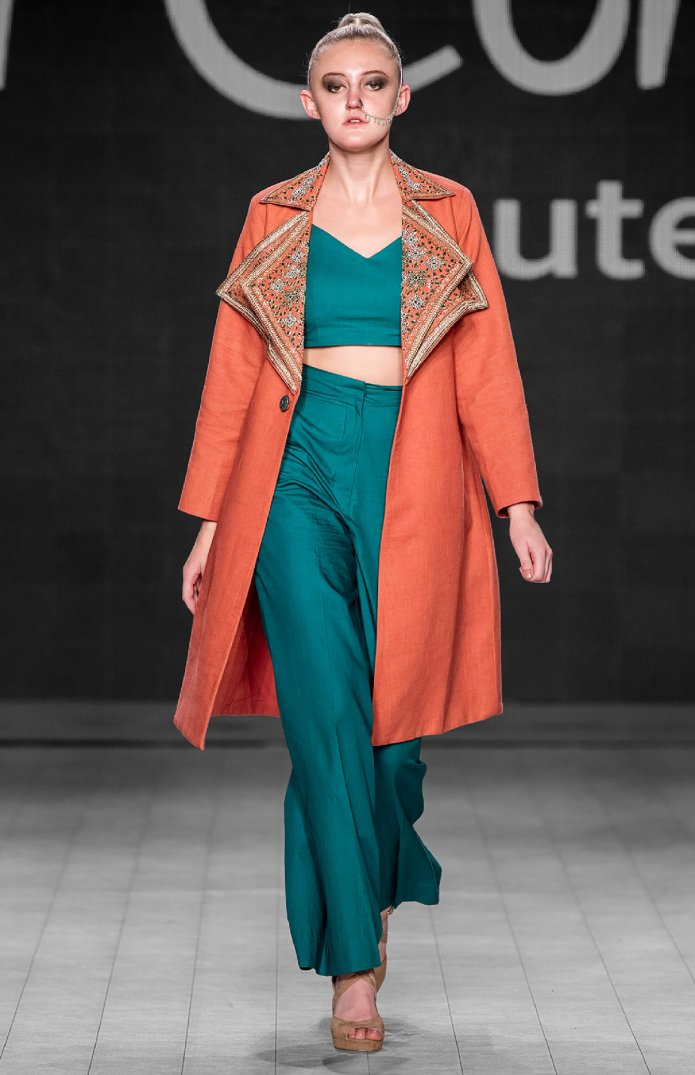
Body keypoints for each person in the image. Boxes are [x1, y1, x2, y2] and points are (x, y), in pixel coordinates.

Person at [175, 11, 552, 1054]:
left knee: (392, 738)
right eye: (335, 85)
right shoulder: (272, 214)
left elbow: (485, 362)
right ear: (309, 103)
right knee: (325, 715)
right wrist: (209, 523)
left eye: (372, 83)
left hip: (415, 463)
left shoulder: (447, 210)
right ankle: (353, 967)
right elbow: (233, 372)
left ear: (400, 98)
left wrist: (516, 502)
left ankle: (370, 880)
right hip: (292, 470)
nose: (354, 99)